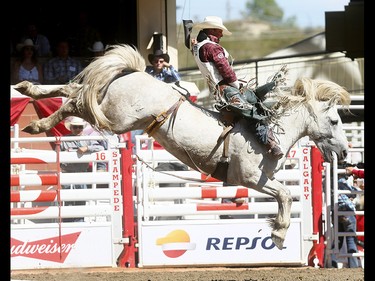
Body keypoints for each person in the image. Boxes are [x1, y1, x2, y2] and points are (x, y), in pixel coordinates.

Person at [191, 16, 286, 159]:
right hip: (227, 90)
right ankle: (270, 143)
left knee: (258, 96)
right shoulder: (212, 47)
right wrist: (238, 85)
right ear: (212, 30)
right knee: (252, 112)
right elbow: (225, 70)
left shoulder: (198, 46)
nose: (222, 34)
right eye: (219, 31)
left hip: (219, 91)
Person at [60, 117, 105, 222]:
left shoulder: (87, 139)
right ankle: (68, 221)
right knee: (68, 197)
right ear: (71, 128)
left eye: (80, 127)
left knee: (81, 197)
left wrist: (87, 148)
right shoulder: (63, 139)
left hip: (81, 173)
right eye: (75, 127)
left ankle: (80, 220)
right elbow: (57, 152)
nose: (78, 129)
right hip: (68, 173)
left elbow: (100, 148)